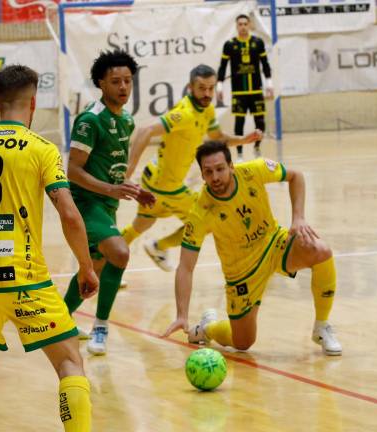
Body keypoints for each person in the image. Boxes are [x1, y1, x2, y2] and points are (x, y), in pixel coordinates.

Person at [0, 65, 98, 432]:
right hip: (24, 278)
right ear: (33, 103)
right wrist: (86, 266)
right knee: (69, 362)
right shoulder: (41, 149)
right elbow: (70, 215)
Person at [162, 141, 342, 356]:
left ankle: (321, 327)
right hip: (242, 274)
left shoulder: (253, 171)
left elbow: (296, 176)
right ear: (202, 175)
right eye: (208, 172)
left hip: (273, 244)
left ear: (231, 166)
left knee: (320, 250)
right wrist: (182, 314)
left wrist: (298, 217)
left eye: (220, 169)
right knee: (243, 343)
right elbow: (185, 267)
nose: (215, 177)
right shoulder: (201, 212)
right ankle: (207, 328)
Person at [122, 64, 262, 272]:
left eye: (211, 88)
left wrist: (243, 139)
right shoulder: (184, 114)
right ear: (191, 87)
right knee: (205, 219)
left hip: (157, 180)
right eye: (202, 88)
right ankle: (158, 246)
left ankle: (105, 257)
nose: (207, 93)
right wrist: (127, 173)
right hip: (165, 186)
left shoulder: (207, 110)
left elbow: (218, 138)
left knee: (142, 224)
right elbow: (145, 130)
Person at [61, 49, 155, 356]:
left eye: (128, 81)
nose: (124, 87)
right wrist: (109, 190)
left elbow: (115, 169)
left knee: (94, 269)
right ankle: (101, 326)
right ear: (101, 83)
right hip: (84, 204)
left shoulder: (126, 120)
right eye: (116, 81)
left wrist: (130, 188)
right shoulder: (91, 120)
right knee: (119, 252)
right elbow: (72, 171)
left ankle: (59, 321)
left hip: (106, 204)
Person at [217, 13, 273, 163]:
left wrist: (269, 84)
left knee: (260, 121)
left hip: (256, 90)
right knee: (239, 122)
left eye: (245, 24)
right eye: (240, 24)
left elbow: (265, 64)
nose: (242, 27)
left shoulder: (258, 43)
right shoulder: (229, 45)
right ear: (237, 26)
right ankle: (240, 154)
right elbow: (222, 67)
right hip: (239, 91)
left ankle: (257, 147)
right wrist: (219, 86)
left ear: (249, 25)